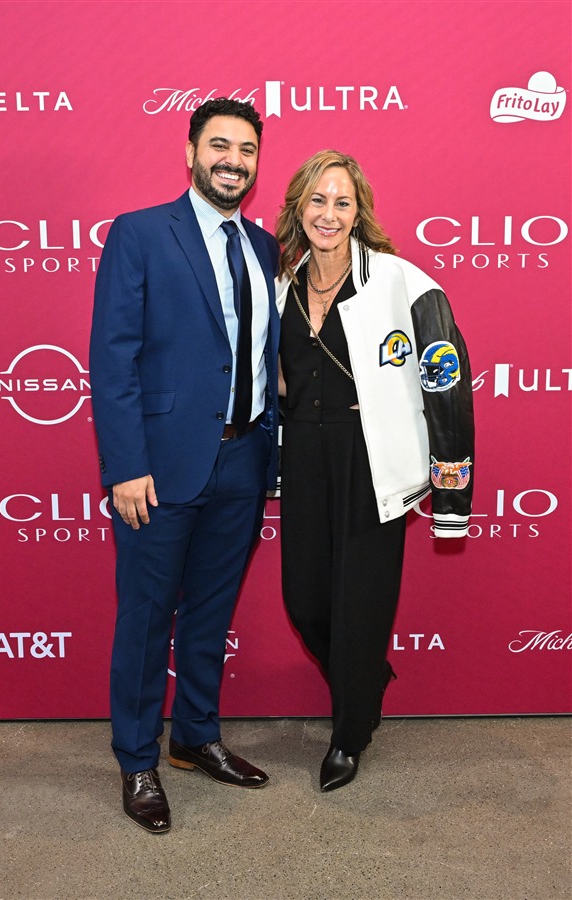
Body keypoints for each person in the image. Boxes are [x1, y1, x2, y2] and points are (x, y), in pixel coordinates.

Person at [89, 98, 280, 832]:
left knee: (210, 611)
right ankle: (137, 758)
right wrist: (125, 464)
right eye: (220, 145)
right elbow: (114, 358)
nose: (233, 160)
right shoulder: (140, 233)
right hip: (159, 467)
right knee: (146, 618)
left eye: (247, 150)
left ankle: (195, 736)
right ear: (192, 152)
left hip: (245, 458)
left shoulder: (262, 247)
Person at [275, 151, 474, 792]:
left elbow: (447, 387)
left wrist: (451, 497)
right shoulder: (281, 284)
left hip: (372, 461)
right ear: (298, 208)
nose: (328, 214)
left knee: (360, 603)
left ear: (359, 212)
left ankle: (350, 731)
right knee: (304, 599)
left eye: (342, 202)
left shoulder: (402, 283)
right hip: (304, 457)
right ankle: (366, 677)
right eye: (317, 200)